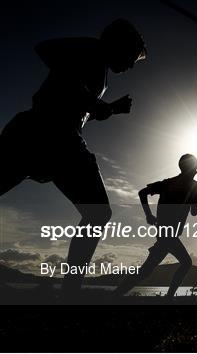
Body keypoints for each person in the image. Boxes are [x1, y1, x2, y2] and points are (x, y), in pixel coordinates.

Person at [0, 19, 146, 295]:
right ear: (119, 45)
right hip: (44, 133)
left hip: (56, 139)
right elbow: (45, 49)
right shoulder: (92, 49)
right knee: (99, 212)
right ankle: (70, 292)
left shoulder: (99, 68)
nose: (130, 66)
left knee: (98, 213)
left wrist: (110, 108)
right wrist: (95, 102)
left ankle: (70, 291)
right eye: (131, 57)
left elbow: (85, 106)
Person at [114, 154, 197, 299]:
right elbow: (194, 212)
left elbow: (142, 193)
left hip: (165, 234)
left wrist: (148, 214)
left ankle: (116, 295)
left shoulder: (168, 183)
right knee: (186, 263)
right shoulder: (195, 186)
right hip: (168, 235)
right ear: (190, 168)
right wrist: (194, 201)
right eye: (195, 168)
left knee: (146, 271)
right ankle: (169, 298)